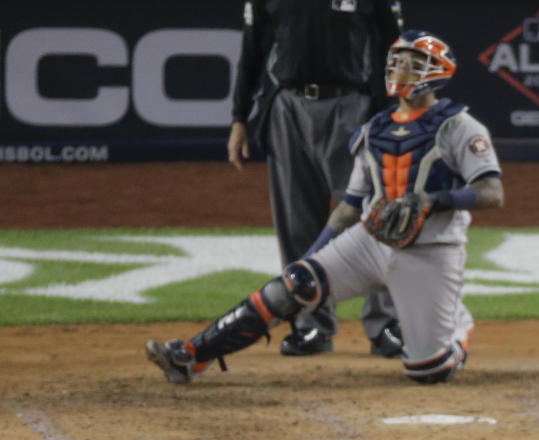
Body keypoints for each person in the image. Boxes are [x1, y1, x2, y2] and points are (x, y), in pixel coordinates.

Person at [147, 30, 504, 384]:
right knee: (295, 283)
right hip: (371, 240)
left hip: (430, 251)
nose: (400, 70)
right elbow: (349, 207)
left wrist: (433, 200)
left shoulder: (461, 126)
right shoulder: (373, 129)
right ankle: (192, 356)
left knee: (429, 370)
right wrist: (311, 256)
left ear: (437, 72)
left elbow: (492, 192)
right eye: (396, 62)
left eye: (412, 64)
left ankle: (456, 323)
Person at [228, 0, 405, 357]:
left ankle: (385, 324)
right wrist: (239, 117)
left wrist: (392, 113)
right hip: (288, 107)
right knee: (298, 224)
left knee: (374, 216)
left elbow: (394, 45)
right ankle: (311, 325)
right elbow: (253, 46)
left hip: (354, 106)